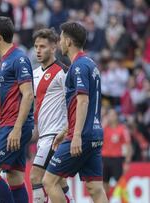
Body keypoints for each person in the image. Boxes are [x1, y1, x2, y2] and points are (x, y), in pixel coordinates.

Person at [42, 22, 108, 203]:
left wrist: (75, 134)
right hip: (95, 134)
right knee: (95, 188)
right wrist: (64, 131)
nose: (60, 42)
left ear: (69, 41)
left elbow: (83, 100)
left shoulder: (78, 66)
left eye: (62, 38)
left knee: (49, 181)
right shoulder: (91, 64)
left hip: (82, 135)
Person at [0, 16, 34, 203]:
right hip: (11, 124)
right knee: (14, 177)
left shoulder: (18, 58)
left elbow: (28, 95)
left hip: (14, 126)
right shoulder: (5, 60)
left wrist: (17, 128)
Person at [30, 28, 73, 203]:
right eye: (36, 47)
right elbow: (38, 105)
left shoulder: (63, 72)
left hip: (55, 134)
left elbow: (73, 102)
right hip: (43, 135)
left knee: (35, 177)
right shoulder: (34, 74)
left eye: (43, 46)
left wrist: (67, 130)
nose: (38, 50)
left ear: (54, 47)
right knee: (59, 181)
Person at [102, 108, 132, 197]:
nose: (111, 117)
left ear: (116, 117)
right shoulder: (104, 129)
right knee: (104, 185)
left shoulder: (122, 129)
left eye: (113, 115)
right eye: (109, 115)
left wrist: (127, 162)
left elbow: (128, 146)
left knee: (121, 185)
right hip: (104, 160)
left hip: (117, 160)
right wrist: (103, 123)